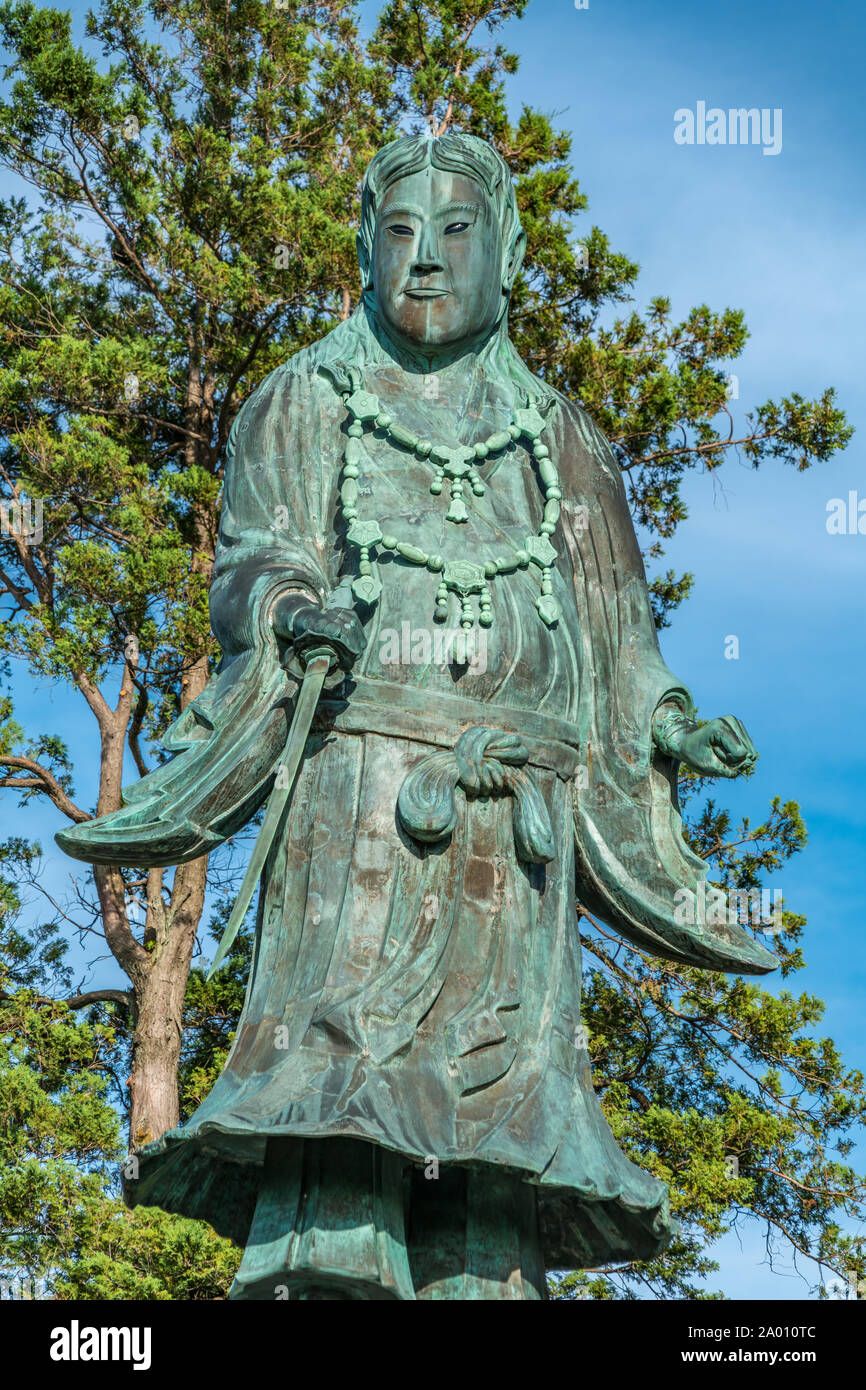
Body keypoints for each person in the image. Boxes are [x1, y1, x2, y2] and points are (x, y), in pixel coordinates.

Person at [58, 132, 775, 1300]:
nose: (426, 260)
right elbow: (253, 564)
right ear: (362, 249)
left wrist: (667, 724)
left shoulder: (562, 440)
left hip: (516, 832)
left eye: (456, 231)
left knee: (498, 1149)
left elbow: (615, 633)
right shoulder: (306, 397)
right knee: (337, 1109)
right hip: (361, 808)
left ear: (509, 251)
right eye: (399, 232)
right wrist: (295, 613)